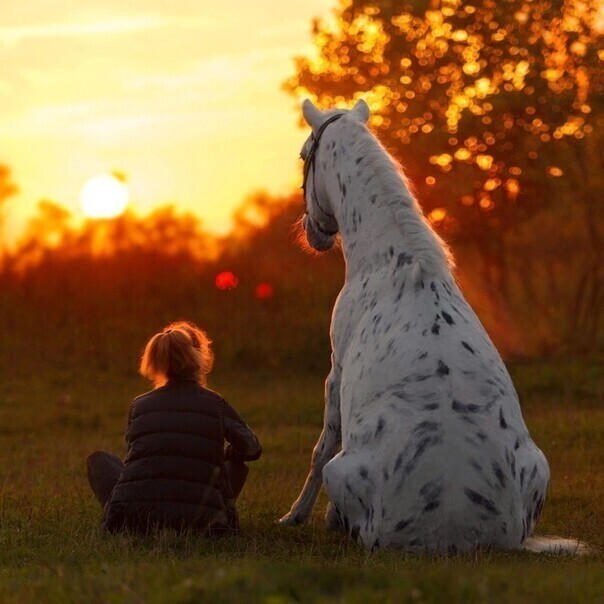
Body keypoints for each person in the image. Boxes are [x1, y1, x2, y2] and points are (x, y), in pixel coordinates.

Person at [86, 321, 262, 534]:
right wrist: (226, 454)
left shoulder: (139, 405)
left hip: (136, 520)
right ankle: (214, 513)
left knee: (100, 460)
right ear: (198, 358)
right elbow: (252, 449)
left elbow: (134, 455)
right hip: (204, 524)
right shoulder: (215, 403)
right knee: (236, 458)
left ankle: (120, 514)